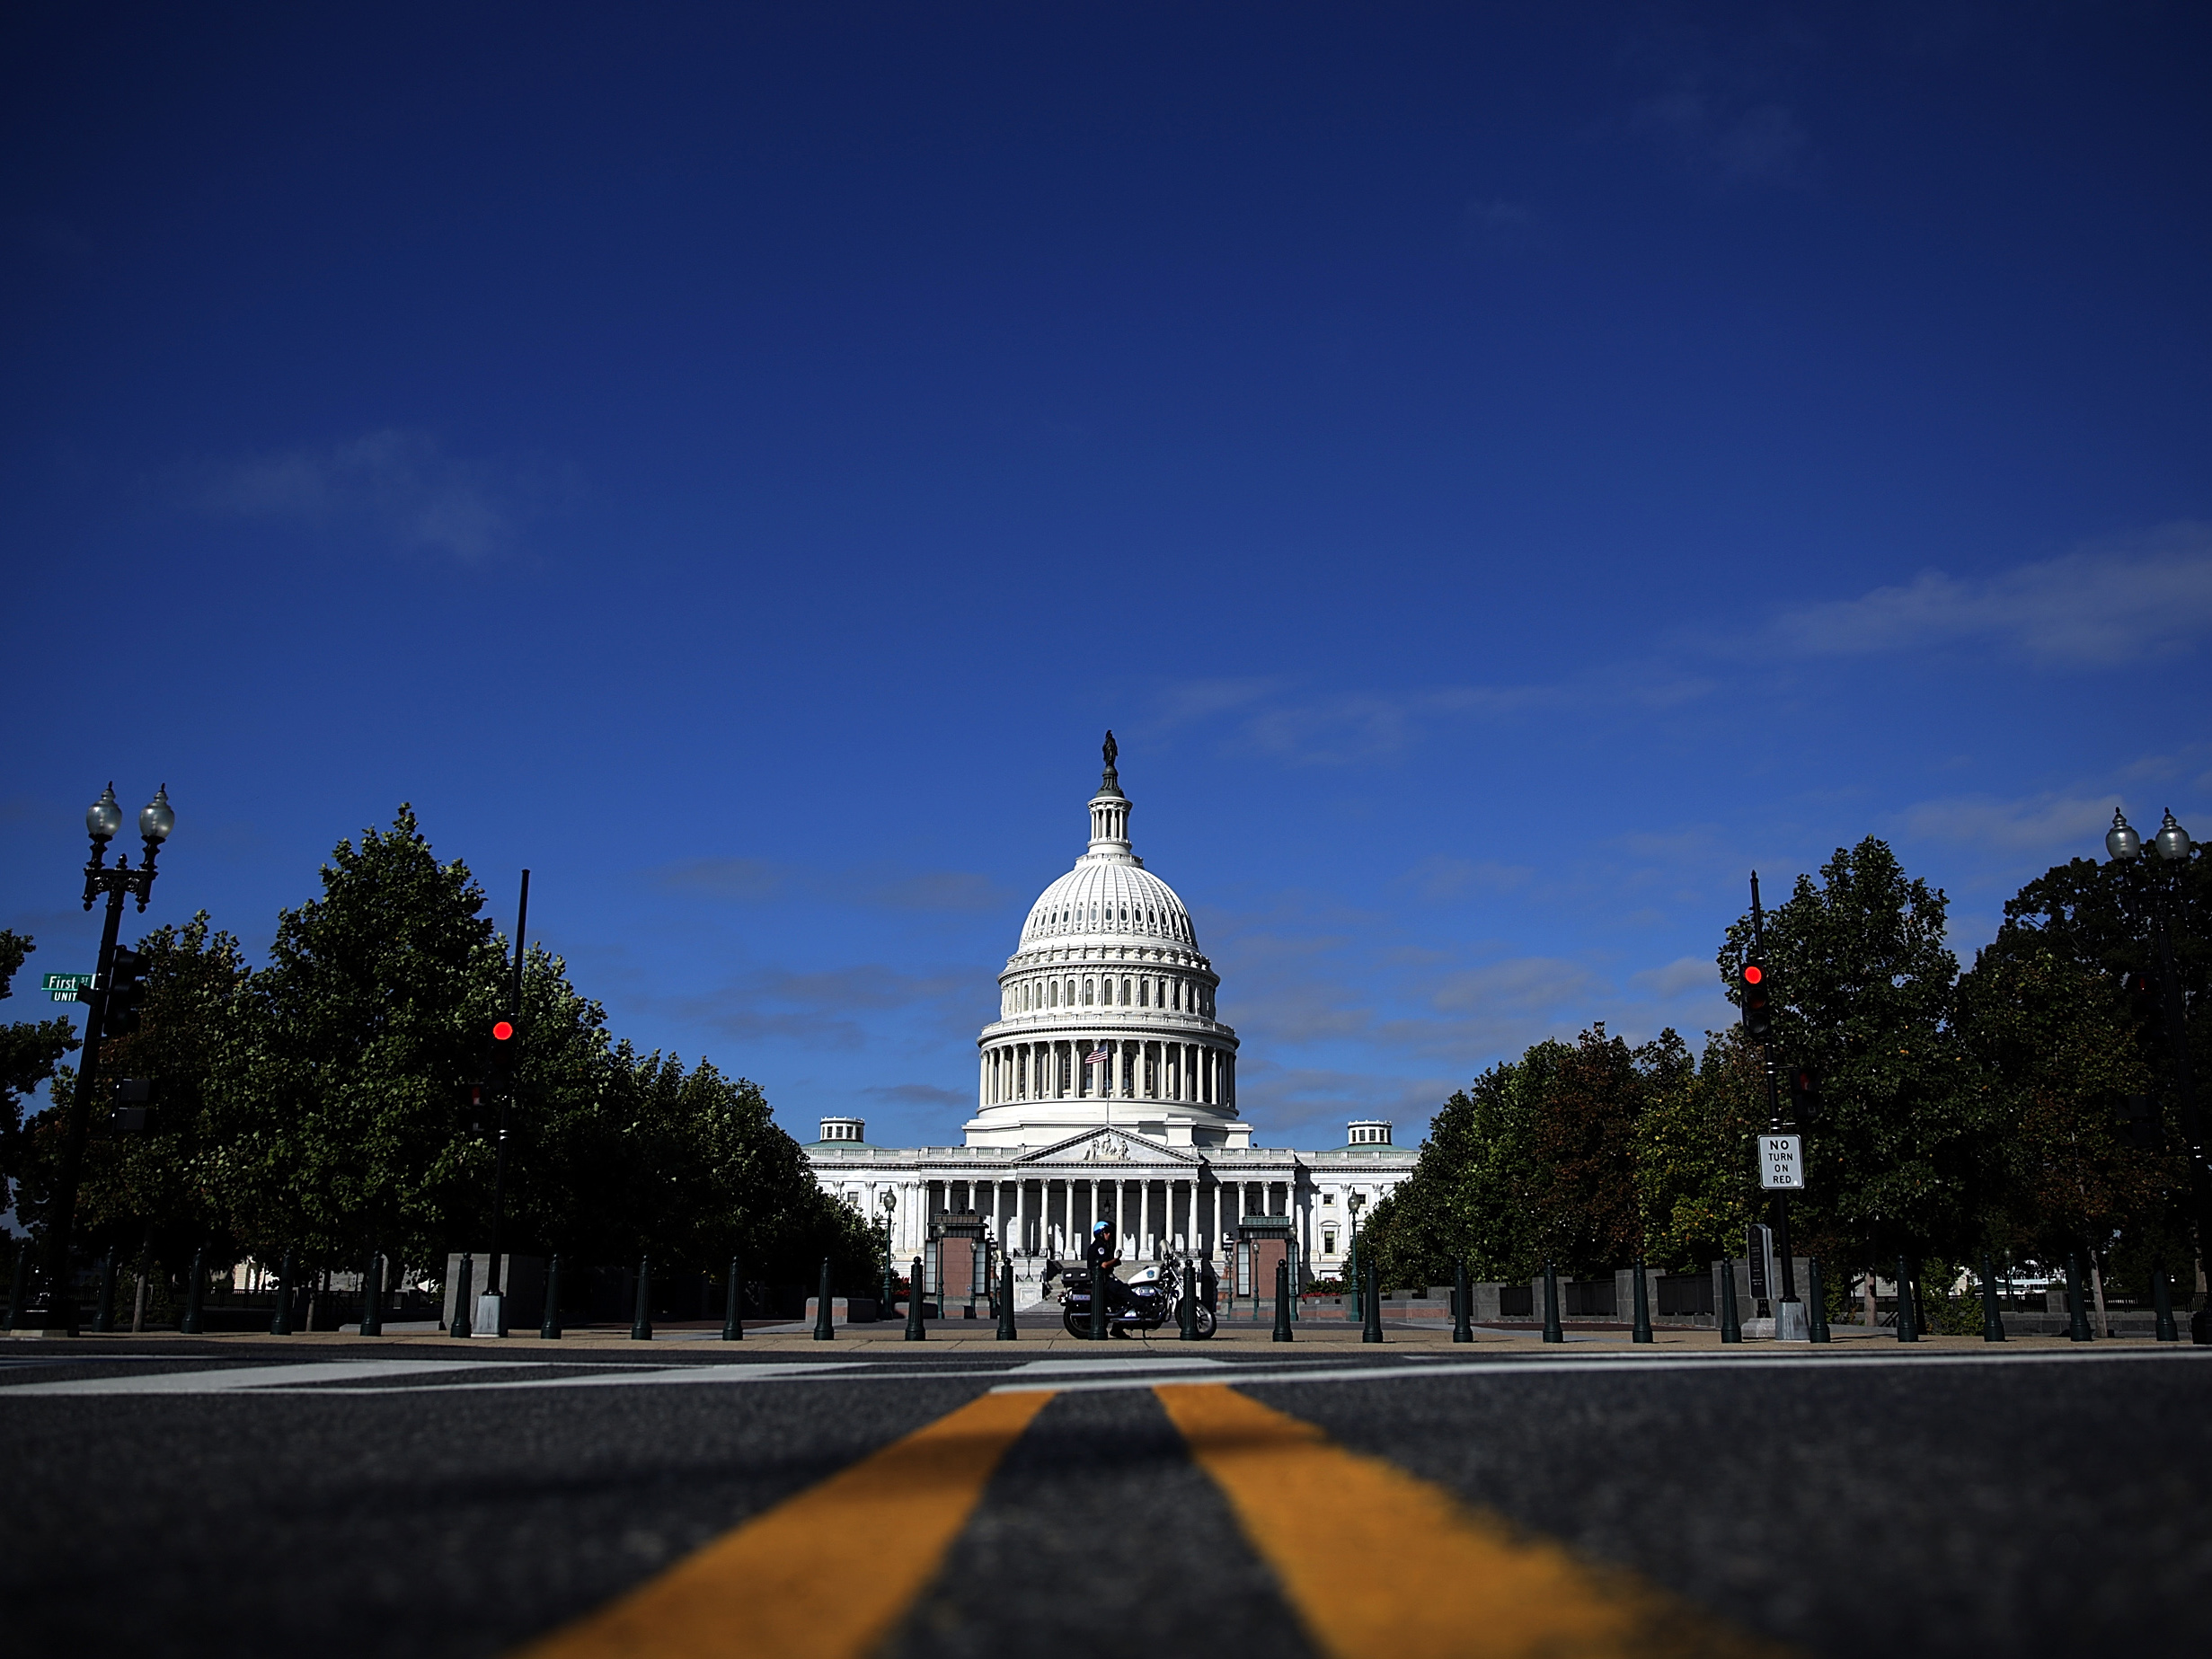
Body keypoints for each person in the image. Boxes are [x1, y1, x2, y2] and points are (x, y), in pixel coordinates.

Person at [1084, 1220, 1131, 1335]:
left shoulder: (1093, 1247)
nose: (1109, 1234)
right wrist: (1115, 1260)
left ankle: (1116, 1327)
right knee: (1127, 1294)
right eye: (1107, 1232)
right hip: (1104, 1280)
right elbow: (1104, 1265)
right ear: (1100, 1233)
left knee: (1118, 1299)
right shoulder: (1100, 1247)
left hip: (1100, 1281)